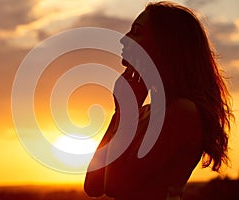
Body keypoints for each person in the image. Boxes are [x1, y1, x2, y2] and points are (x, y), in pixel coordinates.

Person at [84, 1, 234, 200]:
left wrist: (126, 111)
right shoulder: (144, 112)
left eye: (136, 31)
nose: (124, 39)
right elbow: (93, 184)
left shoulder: (183, 112)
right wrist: (120, 112)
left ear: (166, 44)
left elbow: (115, 186)